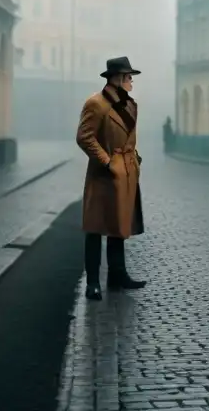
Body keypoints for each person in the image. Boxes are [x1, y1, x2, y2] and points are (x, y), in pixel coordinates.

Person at [75, 56, 147, 300]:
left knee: (119, 225)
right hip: (103, 174)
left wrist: (134, 160)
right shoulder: (95, 103)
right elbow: (84, 137)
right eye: (129, 78)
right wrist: (106, 162)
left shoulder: (130, 105)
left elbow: (129, 138)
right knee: (96, 228)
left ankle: (118, 276)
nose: (131, 83)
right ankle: (93, 282)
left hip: (125, 172)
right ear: (117, 79)